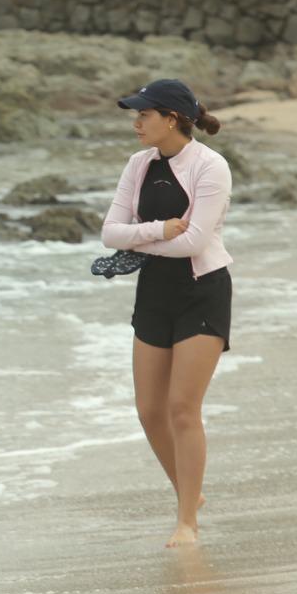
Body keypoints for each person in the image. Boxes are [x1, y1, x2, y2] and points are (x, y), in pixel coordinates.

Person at [101, 79, 233, 549]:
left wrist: (142, 237)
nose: (136, 123)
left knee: (182, 408)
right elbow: (110, 233)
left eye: (144, 115)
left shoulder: (210, 166)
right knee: (149, 410)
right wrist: (157, 230)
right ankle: (189, 495)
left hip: (202, 290)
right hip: (153, 290)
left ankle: (186, 523)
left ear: (171, 119)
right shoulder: (138, 165)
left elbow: (195, 241)